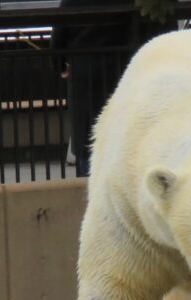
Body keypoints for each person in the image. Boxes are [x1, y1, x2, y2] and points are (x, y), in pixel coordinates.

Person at [51, 0, 175, 177]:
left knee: (89, 142)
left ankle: (90, 192)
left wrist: (60, 63)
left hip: (86, 75)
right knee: (130, 144)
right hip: (130, 73)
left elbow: (59, 36)